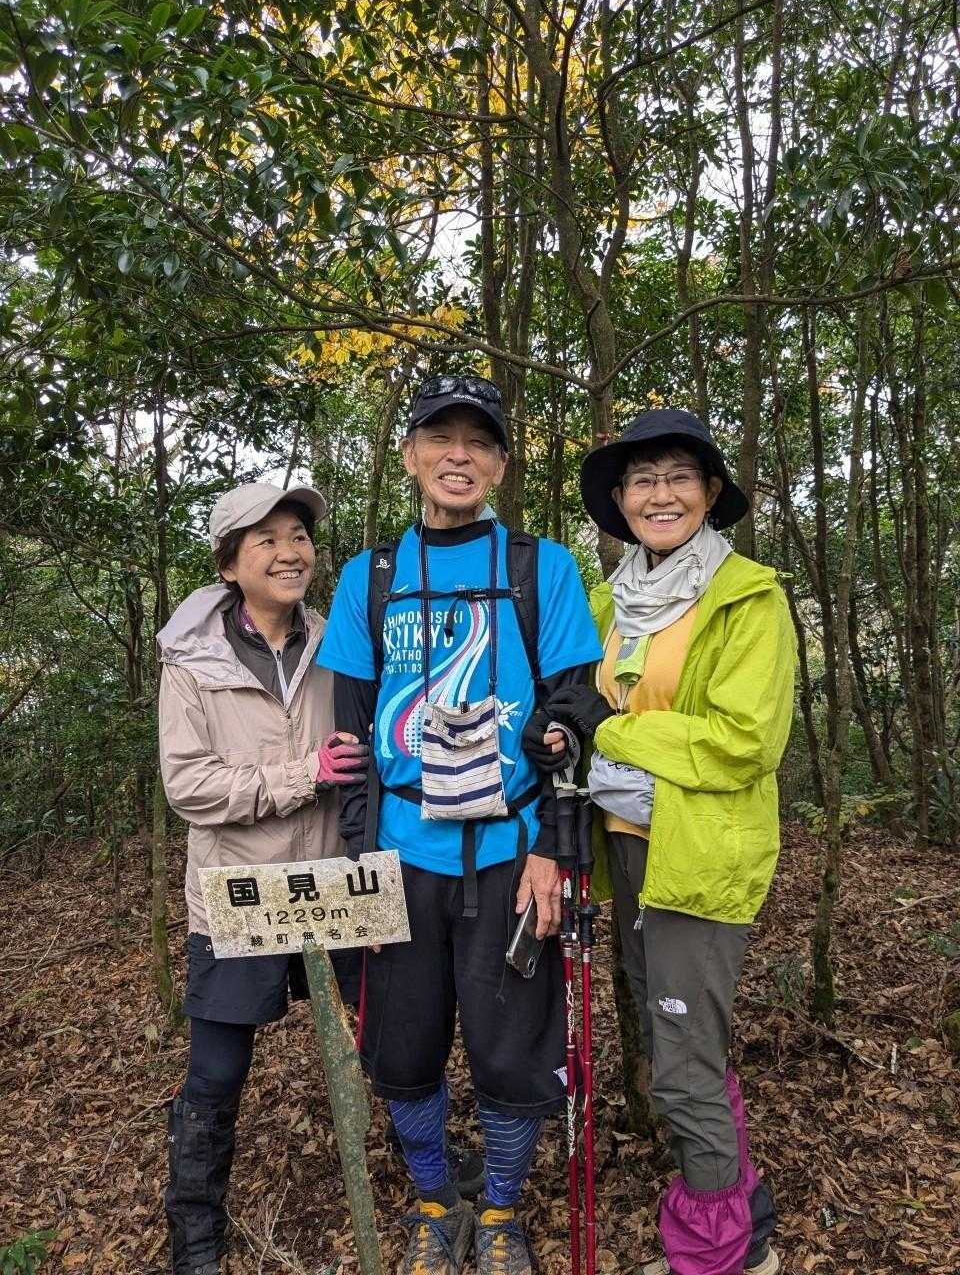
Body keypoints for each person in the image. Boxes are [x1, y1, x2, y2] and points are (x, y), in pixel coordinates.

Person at [316, 375, 602, 1275]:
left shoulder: (541, 568)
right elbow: (352, 739)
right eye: (440, 438)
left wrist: (554, 852)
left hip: (513, 853)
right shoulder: (371, 579)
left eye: (479, 442)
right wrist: (361, 864)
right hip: (402, 854)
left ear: (501, 465)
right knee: (402, 1048)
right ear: (409, 456)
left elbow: (575, 713)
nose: (459, 456)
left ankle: (503, 1210)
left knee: (513, 1051)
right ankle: (436, 1203)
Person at [543, 409, 795, 1275]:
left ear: (710, 492)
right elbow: (580, 708)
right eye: (641, 480)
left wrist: (608, 730)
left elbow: (744, 740)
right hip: (626, 848)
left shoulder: (748, 597)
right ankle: (745, 1226)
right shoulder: (607, 602)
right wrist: (565, 730)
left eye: (679, 476)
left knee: (682, 1067)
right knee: (678, 1048)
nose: (660, 494)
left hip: (701, 855)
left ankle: (716, 1256)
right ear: (619, 500)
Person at [158, 482, 368, 1275]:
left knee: (387, 1034)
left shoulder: (338, 641)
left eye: (299, 537)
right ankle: (194, 1229)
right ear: (229, 564)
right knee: (216, 1073)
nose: (289, 553)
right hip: (238, 892)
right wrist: (301, 775)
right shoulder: (192, 660)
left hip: (334, 883)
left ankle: (427, 1178)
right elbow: (189, 787)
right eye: (267, 540)